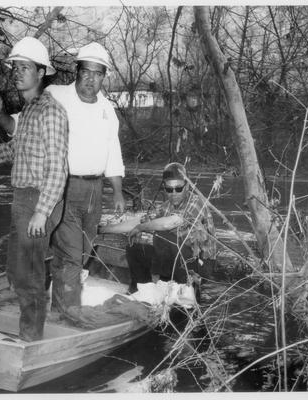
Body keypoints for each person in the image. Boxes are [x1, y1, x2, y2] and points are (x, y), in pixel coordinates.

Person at [0, 37, 68, 341]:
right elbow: (13, 153)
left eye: (25, 67)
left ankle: (30, 340)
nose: (18, 72)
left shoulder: (51, 112)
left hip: (39, 200)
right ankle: (25, 326)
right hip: (22, 198)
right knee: (16, 271)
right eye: (15, 67)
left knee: (29, 274)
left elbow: (58, 168)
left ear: (41, 72)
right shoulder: (30, 110)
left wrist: (41, 213)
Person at [44, 42, 126, 312]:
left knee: (83, 250)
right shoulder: (56, 95)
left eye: (98, 73)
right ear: (77, 71)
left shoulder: (107, 110)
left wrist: (117, 191)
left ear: (104, 76)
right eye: (86, 72)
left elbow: (113, 150)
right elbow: (29, 119)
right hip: (64, 187)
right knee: (72, 254)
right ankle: (69, 313)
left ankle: (58, 305)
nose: (91, 79)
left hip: (95, 190)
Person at [100, 162, 217, 297]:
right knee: (135, 248)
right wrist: (103, 229)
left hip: (200, 264)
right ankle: (140, 289)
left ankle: (178, 287)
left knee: (164, 235)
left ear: (187, 186)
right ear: (164, 188)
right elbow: (140, 221)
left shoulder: (196, 202)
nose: (174, 193)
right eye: (169, 189)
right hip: (177, 258)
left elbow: (170, 223)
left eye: (178, 188)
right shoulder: (166, 206)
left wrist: (140, 228)